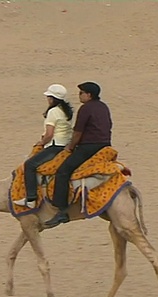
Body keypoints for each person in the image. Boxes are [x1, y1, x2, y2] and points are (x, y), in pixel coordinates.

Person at [44, 81, 113, 227]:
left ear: (89, 95)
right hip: (104, 145)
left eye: (81, 93)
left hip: (88, 148)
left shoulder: (85, 109)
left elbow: (77, 132)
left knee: (62, 172)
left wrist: (70, 147)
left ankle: (61, 210)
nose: (79, 95)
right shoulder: (103, 107)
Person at [14, 84, 74, 208]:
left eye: (48, 97)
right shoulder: (66, 111)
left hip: (55, 146)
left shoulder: (53, 112)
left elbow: (49, 134)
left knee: (29, 165)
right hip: (65, 145)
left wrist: (41, 143)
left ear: (52, 98)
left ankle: (31, 199)